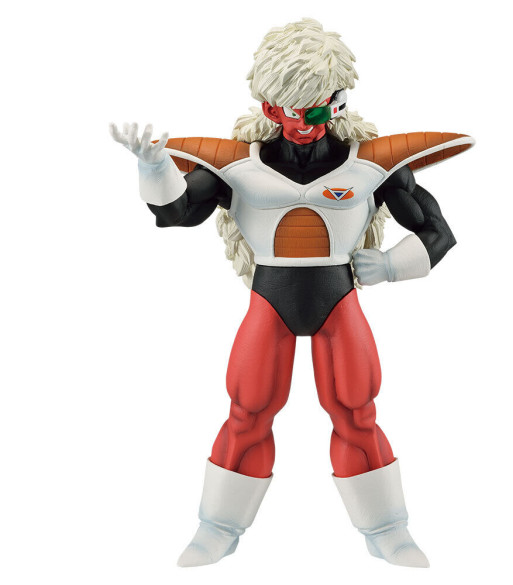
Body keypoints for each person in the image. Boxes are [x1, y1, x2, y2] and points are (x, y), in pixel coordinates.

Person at [110, 18, 473, 569]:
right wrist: (156, 169)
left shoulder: (371, 164)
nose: (302, 124)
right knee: (247, 410)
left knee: (356, 410)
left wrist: (391, 266)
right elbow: (177, 213)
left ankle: (388, 530)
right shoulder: (237, 165)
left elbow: (437, 232)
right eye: (287, 110)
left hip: (337, 298)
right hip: (271, 298)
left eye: (317, 111)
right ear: (268, 106)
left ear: (338, 102)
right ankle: (217, 528)